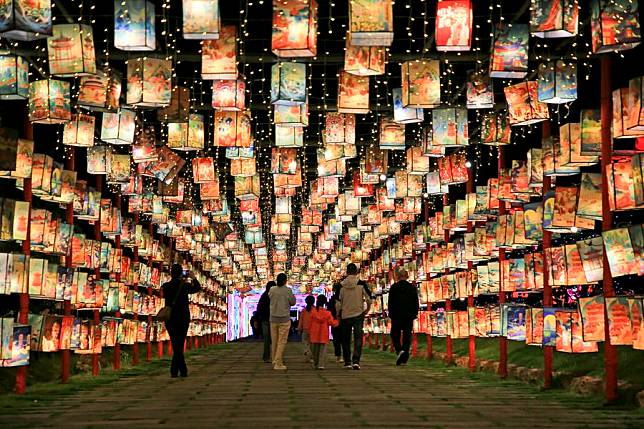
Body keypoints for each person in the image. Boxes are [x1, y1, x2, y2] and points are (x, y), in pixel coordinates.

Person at [161, 263, 201, 378]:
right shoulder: (184, 285)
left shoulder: (166, 286)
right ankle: (181, 370)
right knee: (179, 342)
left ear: (171, 273)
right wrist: (192, 278)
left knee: (175, 342)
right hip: (183, 316)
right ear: (180, 273)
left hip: (170, 317)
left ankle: (176, 371)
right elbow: (197, 288)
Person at [336, 263, 372, 370]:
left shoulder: (341, 286)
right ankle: (356, 361)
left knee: (345, 339)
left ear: (346, 272)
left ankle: (347, 361)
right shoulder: (361, 284)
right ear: (356, 272)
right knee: (358, 338)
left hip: (345, 315)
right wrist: (367, 309)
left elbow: (338, 303)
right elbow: (369, 298)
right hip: (358, 314)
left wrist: (338, 314)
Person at [388, 267, 420, 366]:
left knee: (395, 334)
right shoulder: (412, 288)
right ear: (407, 276)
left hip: (397, 315)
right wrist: (414, 314)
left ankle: (399, 351)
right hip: (408, 315)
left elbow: (391, 302)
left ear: (397, 277)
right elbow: (416, 302)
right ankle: (405, 355)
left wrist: (391, 314)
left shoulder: (394, 287)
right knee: (407, 335)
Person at [269, 273, 296, 370]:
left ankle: (274, 360)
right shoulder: (288, 290)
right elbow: (293, 302)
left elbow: (270, 298)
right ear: (285, 281)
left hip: (273, 318)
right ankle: (278, 363)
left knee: (274, 341)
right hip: (284, 318)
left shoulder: (272, 289)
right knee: (282, 341)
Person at [309, 295, 339, 370]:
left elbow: (310, 322)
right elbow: (332, 323)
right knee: (322, 350)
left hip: (314, 332)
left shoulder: (313, 312)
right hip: (323, 333)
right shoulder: (327, 313)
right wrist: (338, 321)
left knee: (315, 350)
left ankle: (316, 363)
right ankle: (321, 364)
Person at [256, 280, 274, 362]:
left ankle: (266, 357)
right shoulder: (274, 295)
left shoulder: (264, 296)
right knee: (274, 339)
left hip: (265, 320)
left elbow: (259, 308)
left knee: (267, 339)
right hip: (273, 319)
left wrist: (256, 319)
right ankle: (274, 357)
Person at [327, 282, 343, 363]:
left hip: (335, 321)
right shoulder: (344, 298)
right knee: (343, 339)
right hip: (343, 320)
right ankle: (343, 356)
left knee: (336, 339)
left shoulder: (332, 299)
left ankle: (339, 356)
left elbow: (329, 310)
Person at [297, 295, 315, 361]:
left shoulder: (304, 310)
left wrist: (299, 329)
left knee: (305, 342)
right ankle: (312, 356)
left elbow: (301, 320)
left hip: (305, 329)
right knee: (312, 343)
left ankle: (306, 352)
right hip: (313, 330)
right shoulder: (315, 310)